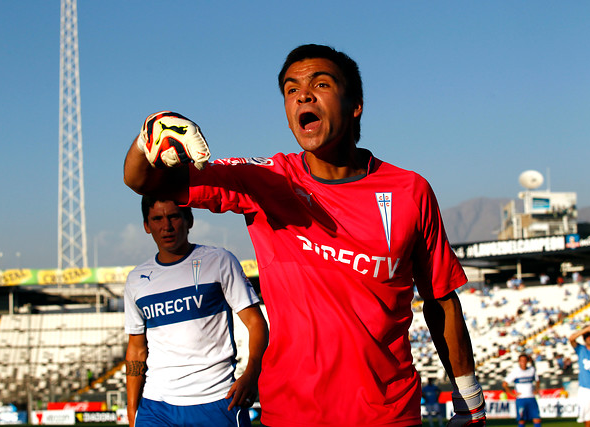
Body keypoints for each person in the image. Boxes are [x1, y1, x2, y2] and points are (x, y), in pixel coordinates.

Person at [124, 44, 485, 426]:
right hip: (292, 415)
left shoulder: (410, 191)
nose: (303, 96)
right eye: (291, 90)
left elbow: (441, 300)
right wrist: (149, 137)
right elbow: (141, 180)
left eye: (321, 84)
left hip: (389, 415)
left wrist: (470, 399)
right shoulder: (266, 180)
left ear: (355, 104)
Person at [124, 196, 268, 427]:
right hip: (156, 406)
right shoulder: (136, 281)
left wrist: (252, 374)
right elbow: (136, 349)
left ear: (189, 220)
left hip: (216, 401)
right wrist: (132, 411)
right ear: (146, 226)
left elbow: (255, 322)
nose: (166, 226)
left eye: (173, 217)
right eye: (157, 219)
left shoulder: (219, 261)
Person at [502, 354, 541, 427]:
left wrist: (536, 389)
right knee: (522, 420)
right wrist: (512, 394)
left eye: (525, 360)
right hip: (521, 399)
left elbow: (537, 380)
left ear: (527, 361)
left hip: (531, 398)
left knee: (537, 419)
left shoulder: (532, 370)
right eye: (521, 360)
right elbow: (504, 384)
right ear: (519, 361)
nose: (523, 362)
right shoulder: (516, 371)